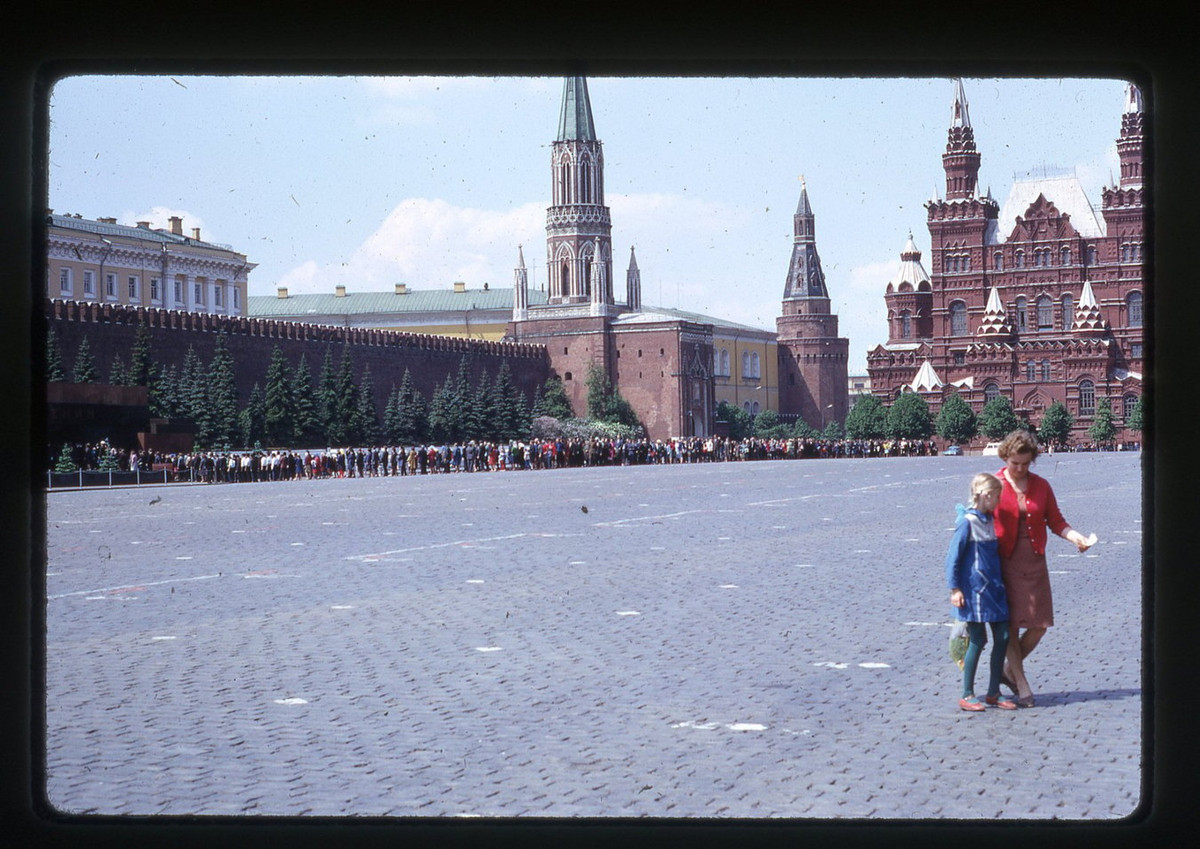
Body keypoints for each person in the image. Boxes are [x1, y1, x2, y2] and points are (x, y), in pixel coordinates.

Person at [994, 430, 1094, 707]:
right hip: (1004, 562)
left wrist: (1076, 537)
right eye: (1015, 463)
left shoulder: (1041, 486)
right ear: (1005, 457)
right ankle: (1022, 684)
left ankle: (1006, 670)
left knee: (1040, 625)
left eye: (1026, 464)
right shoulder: (994, 484)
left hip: (1035, 561)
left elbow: (1056, 520)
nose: (1020, 469)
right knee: (1011, 626)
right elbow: (977, 519)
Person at [946, 473, 1016, 711]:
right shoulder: (967, 522)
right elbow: (952, 558)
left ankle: (994, 692)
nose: (998, 502)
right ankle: (967, 693)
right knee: (978, 639)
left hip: (994, 590)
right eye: (997, 497)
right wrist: (954, 588)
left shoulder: (988, 520)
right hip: (973, 592)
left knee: (1003, 637)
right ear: (986, 496)